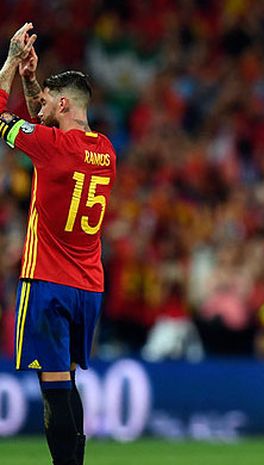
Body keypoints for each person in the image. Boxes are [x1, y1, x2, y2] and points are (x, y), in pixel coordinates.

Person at [0, 23, 116, 465]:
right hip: (88, 285)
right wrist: (34, 83)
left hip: (47, 281)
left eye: (48, 100)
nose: (40, 107)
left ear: (63, 103)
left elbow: (13, 122)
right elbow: (43, 126)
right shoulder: (105, 149)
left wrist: (12, 63)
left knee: (52, 387)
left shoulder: (49, 147)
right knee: (67, 381)